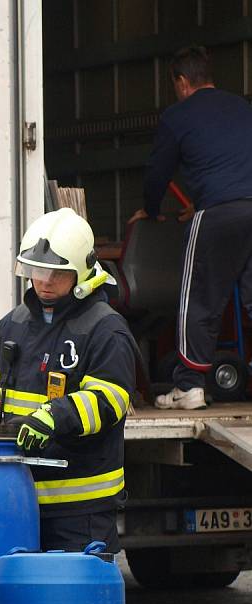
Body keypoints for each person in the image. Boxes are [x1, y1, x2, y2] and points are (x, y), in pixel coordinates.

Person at [0, 208, 136, 554]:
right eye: (36, 271)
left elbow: (108, 400)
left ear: (82, 272)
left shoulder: (106, 329)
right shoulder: (16, 323)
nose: (44, 281)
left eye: (55, 273)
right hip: (18, 497)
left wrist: (52, 417)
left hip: (80, 507)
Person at [129, 45, 252, 410]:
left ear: (181, 81)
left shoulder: (177, 116)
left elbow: (158, 174)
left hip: (216, 214)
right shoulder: (243, 108)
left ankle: (189, 386)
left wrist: (150, 210)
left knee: (196, 300)